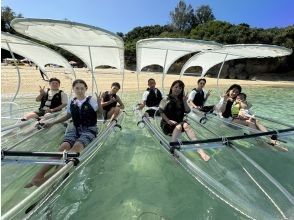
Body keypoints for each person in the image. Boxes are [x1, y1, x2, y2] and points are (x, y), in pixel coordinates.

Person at [25, 79, 103, 188]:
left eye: (82, 88)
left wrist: (99, 103)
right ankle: (37, 177)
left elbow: (100, 115)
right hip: (74, 128)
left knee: (73, 150)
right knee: (63, 148)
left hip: (89, 129)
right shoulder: (72, 101)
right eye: (77, 88)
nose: (79, 90)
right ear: (73, 89)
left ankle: (48, 179)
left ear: (86, 89)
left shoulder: (92, 100)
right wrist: (52, 122)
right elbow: (67, 116)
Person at [216, 85, 287, 151]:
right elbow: (222, 111)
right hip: (228, 121)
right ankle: (260, 141)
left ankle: (270, 137)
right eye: (233, 91)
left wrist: (241, 103)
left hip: (234, 119)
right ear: (229, 90)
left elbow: (247, 106)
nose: (234, 93)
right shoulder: (224, 99)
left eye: (237, 92)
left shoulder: (236, 100)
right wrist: (225, 100)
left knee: (255, 120)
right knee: (250, 122)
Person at [159, 80, 210, 161]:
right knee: (180, 126)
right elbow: (161, 112)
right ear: (172, 87)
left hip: (179, 123)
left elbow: (188, 111)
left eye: (180, 88)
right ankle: (173, 151)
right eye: (176, 87)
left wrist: (184, 101)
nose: (178, 89)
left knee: (186, 125)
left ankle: (200, 150)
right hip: (167, 124)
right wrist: (168, 121)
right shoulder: (165, 99)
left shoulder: (181, 99)